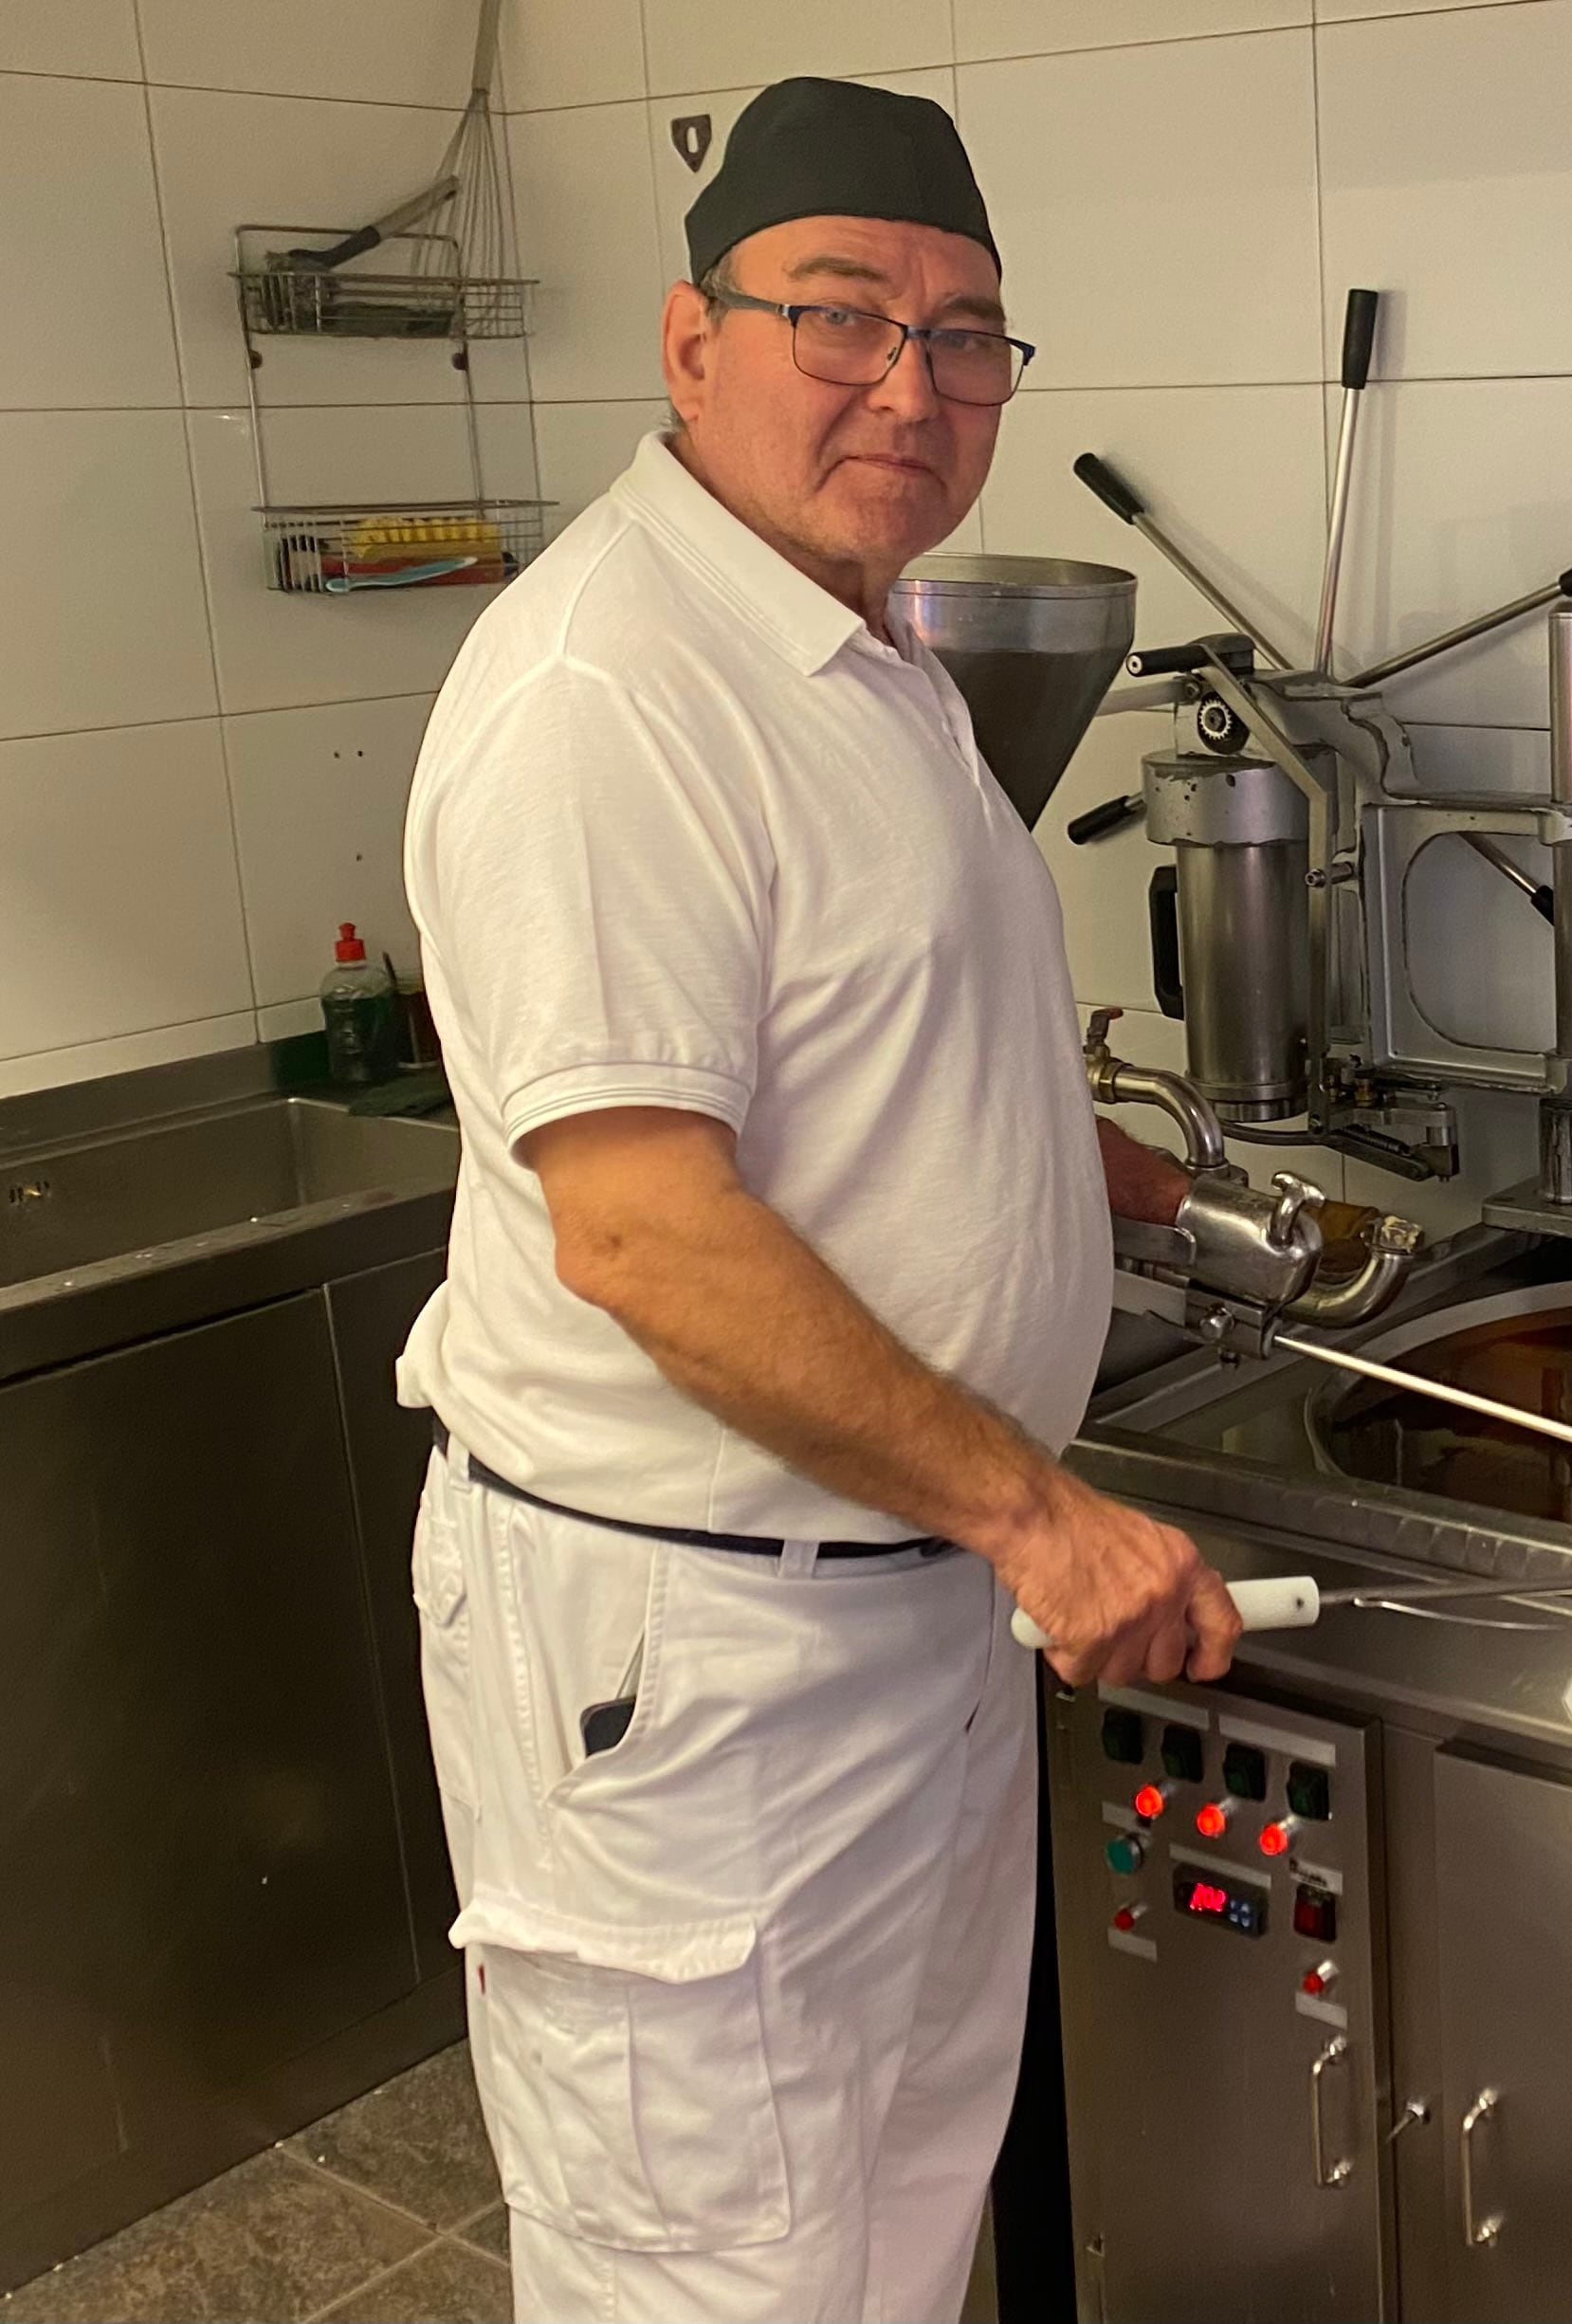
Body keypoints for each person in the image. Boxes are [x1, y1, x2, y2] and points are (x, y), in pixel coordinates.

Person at [393, 76, 1237, 2323]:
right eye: (841, 316)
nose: (911, 383)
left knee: (874, 2235)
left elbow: (851, 1046)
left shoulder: (860, 648)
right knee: (721, 2276)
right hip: (698, 1668)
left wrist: (1089, 1178)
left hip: (886, 1627)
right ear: (693, 347)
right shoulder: (609, 692)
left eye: (966, 336)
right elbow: (646, 1224)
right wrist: (1047, 1519)